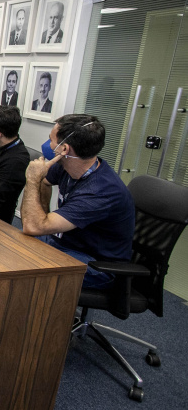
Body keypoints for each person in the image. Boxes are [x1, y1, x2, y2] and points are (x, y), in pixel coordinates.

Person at [21, 115, 135, 289]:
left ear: (64, 149)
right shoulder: (66, 167)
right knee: (12, 246)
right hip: (66, 244)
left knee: (21, 268)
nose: (48, 145)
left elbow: (32, 226)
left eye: (51, 140)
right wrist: (43, 216)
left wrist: (32, 179)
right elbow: (46, 182)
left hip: (97, 265)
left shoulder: (100, 190)